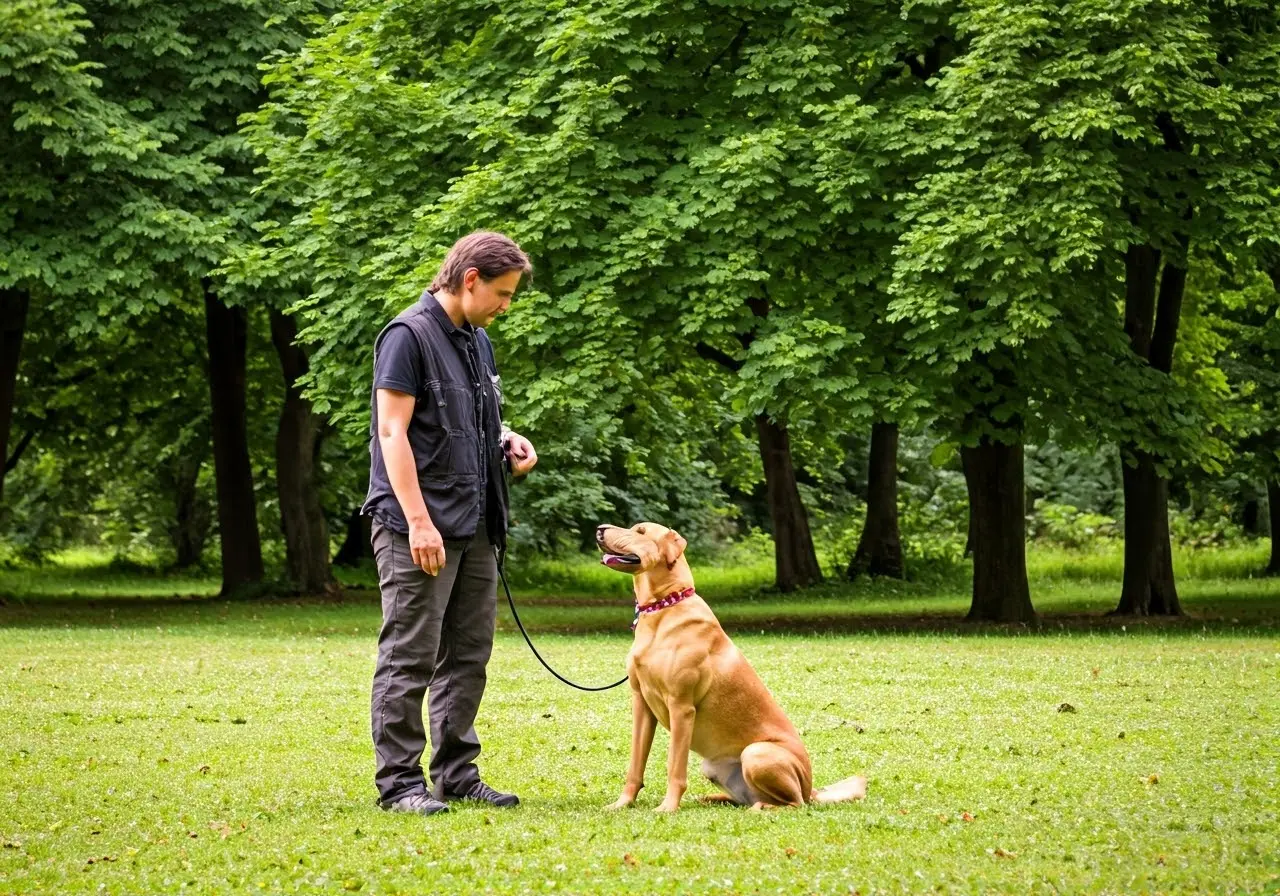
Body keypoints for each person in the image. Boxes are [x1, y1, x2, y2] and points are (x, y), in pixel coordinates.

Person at [362, 231, 538, 817]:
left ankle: (456, 775)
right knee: (410, 653)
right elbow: (393, 433)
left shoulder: (477, 342)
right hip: (418, 524)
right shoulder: (406, 337)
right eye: (503, 293)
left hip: (475, 522)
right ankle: (399, 785)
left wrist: (509, 440)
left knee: (468, 654)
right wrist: (418, 522)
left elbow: (471, 421)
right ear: (469, 280)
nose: (505, 306)